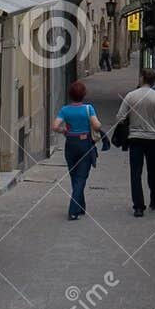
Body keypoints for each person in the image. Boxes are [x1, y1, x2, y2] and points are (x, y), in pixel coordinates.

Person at [114, 67, 155, 217]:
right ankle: (154, 198)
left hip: (135, 139)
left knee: (135, 173)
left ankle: (138, 206)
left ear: (142, 78)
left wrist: (130, 121)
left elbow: (120, 117)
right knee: (153, 170)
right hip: (153, 139)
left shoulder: (131, 96)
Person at [52, 80, 102, 221]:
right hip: (84, 143)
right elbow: (97, 125)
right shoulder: (88, 109)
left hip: (71, 144)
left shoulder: (65, 110)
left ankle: (81, 206)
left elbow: (55, 126)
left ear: (70, 95)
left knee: (74, 175)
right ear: (83, 95)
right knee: (81, 177)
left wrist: (64, 130)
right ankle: (73, 210)